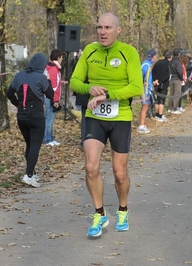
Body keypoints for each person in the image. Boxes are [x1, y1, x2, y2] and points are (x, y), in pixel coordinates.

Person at [70, 12, 143, 237]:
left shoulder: (128, 52)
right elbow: (74, 81)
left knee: (119, 173)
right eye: (100, 27)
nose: (103, 32)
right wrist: (88, 88)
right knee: (91, 167)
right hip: (94, 116)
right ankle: (100, 214)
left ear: (118, 30)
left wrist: (108, 94)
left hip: (120, 117)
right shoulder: (90, 51)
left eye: (108, 28)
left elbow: (136, 87)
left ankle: (122, 209)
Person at [6, 53, 54, 187]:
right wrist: (48, 80)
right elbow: (51, 94)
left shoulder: (19, 75)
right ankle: (29, 175)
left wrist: (18, 103)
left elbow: (9, 93)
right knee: (35, 146)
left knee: (29, 144)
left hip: (22, 117)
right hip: (37, 117)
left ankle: (31, 171)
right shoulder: (41, 77)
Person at [43, 49, 63, 147]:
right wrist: (55, 100)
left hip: (49, 97)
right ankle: (47, 139)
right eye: (61, 57)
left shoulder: (51, 68)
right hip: (50, 97)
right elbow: (54, 86)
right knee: (49, 119)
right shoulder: (54, 69)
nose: (62, 59)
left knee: (49, 118)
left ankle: (50, 138)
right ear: (58, 57)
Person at [70, 49, 89, 148]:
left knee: (87, 119)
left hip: (86, 96)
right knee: (86, 119)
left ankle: (87, 141)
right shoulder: (81, 63)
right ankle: (84, 141)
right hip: (86, 95)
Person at [137, 49, 156, 133]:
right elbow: (140, 75)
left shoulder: (148, 64)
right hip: (144, 90)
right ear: (153, 56)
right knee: (145, 107)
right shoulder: (146, 64)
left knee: (146, 106)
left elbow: (148, 77)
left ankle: (143, 124)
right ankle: (141, 126)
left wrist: (152, 82)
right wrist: (142, 83)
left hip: (147, 89)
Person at [152, 50, 173, 122]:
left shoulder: (158, 62)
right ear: (170, 57)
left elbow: (153, 71)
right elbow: (167, 75)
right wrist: (160, 81)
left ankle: (156, 114)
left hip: (156, 83)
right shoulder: (168, 64)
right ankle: (160, 116)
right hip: (163, 84)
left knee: (157, 99)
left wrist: (155, 80)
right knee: (162, 100)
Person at [167, 48, 184, 114]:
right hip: (177, 79)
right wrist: (181, 78)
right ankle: (175, 108)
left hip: (171, 79)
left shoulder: (171, 61)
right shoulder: (178, 62)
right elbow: (180, 71)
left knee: (171, 93)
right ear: (179, 54)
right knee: (177, 94)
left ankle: (170, 107)